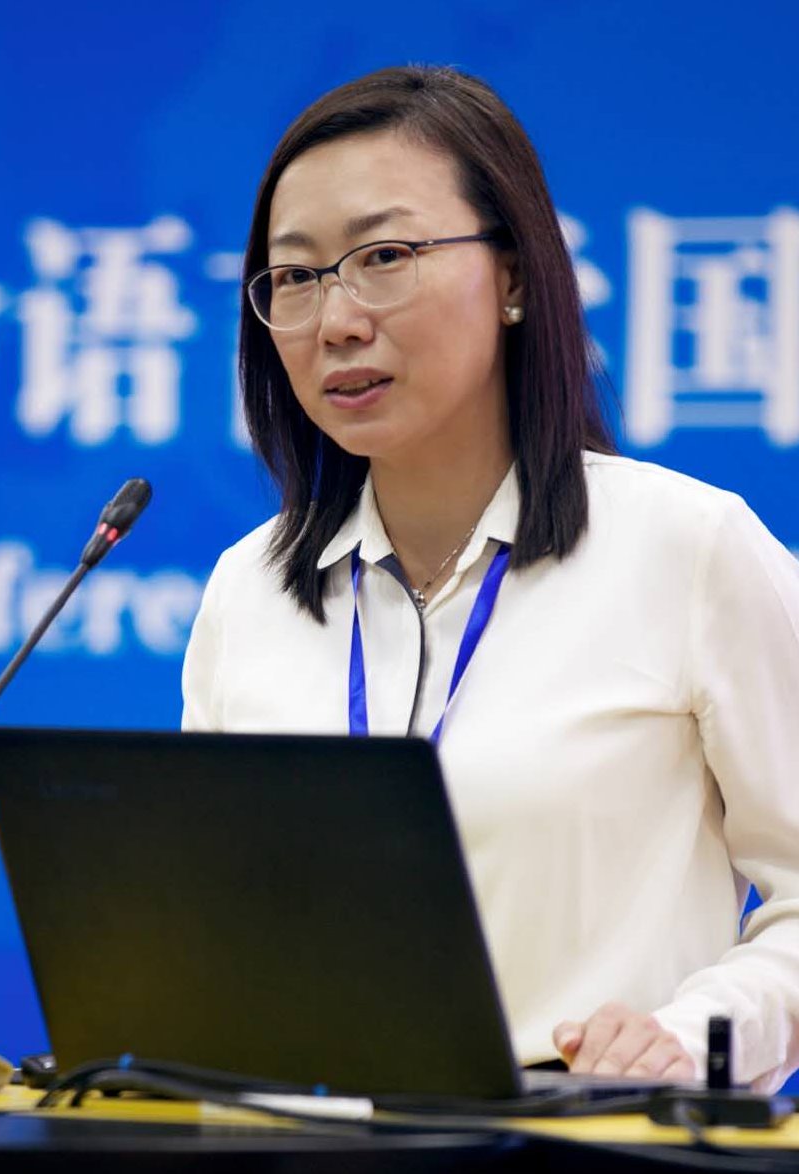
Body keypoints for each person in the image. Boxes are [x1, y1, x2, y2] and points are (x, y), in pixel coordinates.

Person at [182, 65, 799, 1091]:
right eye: (294, 276)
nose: (335, 320)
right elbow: (209, 922)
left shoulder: (688, 548)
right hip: (302, 1136)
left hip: (593, 1132)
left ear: (512, 276)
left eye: (384, 257)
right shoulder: (247, 590)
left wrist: (688, 1036)